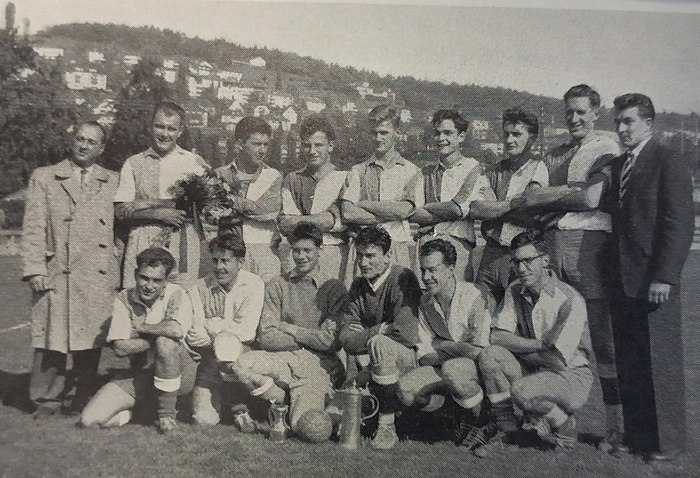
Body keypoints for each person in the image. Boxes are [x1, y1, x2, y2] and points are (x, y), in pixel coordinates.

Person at [512, 85, 624, 451]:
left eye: (581, 112)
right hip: (555, 245)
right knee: (551, 333)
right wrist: (565, 195)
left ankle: (615, 428)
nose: (574, 119)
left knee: (603, 341)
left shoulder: (606, 148)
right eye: (569, 112)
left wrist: (556, 196)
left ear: (596, 113)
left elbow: (591, 198)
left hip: (590, 247)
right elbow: (529, 199)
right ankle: (553, 417)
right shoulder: (558, 153)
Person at [605, 93, 693, 462]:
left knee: (662, 363)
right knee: (631, 362)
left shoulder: (667, 158)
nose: (622, 129)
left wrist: (665, 277)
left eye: (629, 122)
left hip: (654, 281)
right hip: (623, 280)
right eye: (618, 122)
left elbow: (678, 223)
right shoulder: (619, 163)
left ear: (648, 123)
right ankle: (638, 437)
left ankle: (670, 443)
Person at [22, 121, 120, 418]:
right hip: (58, 272)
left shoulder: (113, 181)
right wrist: (35, 268)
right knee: (52, 338)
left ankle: (81, 397)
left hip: (97, 274)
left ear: (102, 148)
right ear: (72, 141)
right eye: (80, 138)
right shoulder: (45, 177)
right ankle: (46, 399)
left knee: (90, 341)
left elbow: (122, 227)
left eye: (92, 141)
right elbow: (34, 227)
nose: (84, 145)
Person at [478, 231, 594, 453]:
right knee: (490, 355)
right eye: (516, 262)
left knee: (523, 390)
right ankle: (510, 431)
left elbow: (558, 361)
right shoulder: (515, 289)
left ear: (545, 261)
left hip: (571, 375)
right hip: (537, 364)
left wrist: (518, 348)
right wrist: (540, 344)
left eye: (528, 261)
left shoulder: (570, 299)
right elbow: (497, 337)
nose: (521, 269)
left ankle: (564, 424)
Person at [228, 223, 348, 435]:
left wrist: (290, 328)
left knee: (306, 427)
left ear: (320, 250)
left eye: (307, 250)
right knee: (241, 366)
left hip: (318, 365)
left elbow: (331, 341)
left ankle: (304, 406)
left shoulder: (334, 287)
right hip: (282, 359)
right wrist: (311, 337)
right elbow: (266, 336)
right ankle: (282, 402)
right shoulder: (277, 284)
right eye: (296, 250)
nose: (301, 256)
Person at [79, 248, 197, 434]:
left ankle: (167, 415)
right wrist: (158, 335)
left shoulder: (177, 294)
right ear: (135, 274)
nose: (149, 286)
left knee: (166, 344)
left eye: (157, 280)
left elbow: (175, 330)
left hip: (181, 372)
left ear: (166, 282)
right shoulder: (124, 298)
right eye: (144, 278)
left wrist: (141, 329)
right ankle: (139, 414)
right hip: (143, 373)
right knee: (89, 419)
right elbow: (120, 347)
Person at [397, 239, 495, 451]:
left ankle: (482, 420)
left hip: (477, 370)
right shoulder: (425, 302)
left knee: (453, 370)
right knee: (406, 391)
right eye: (423, 270)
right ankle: (451, 415)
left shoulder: (475, 296)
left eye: (433, 270)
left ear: (451, 269)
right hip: (446, 366)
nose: (425, 277)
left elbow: (479, 351)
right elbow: (425, 355)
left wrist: (444, 344)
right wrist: (458, 347)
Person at [339, 226, 422, 450]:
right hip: (375, 360)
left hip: (409, 361)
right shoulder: (358, 286)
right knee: (338, 409)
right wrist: (381, 328)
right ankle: (368, 415)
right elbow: (347, 340)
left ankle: (387, 426)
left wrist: (372, 336)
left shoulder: (403, 278)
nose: (363, 263)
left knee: (380, 344)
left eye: (371, 255)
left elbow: (406, 334)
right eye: (360, 255)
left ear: (387, 256)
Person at [114, 101, 208, 289]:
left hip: (182, 242)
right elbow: (120, 212)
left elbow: (205, 205)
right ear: (151, 126)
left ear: (180, 131)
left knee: (180, 302)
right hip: (143, 240)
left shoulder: (193, 162)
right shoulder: (134, 163)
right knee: (141, 301)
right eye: (159, 126)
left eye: (171, 129)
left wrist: (145, 203)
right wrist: (158, 214)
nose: (164, 134)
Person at [185, 234, 265, 428]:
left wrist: (213, 324)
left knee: (228, 346)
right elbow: (195, 337)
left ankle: (240, 407)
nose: (219, 267)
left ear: (240, 262)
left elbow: (247, 333)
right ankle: (235, 405)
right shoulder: (198, 287)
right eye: (215, 260)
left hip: (242, 359)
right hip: (209, 362)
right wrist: (224, 332)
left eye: (225, 261)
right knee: (204, 420)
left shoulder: (254, 285)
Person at [470, 107, 549, 303]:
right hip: (491, 253)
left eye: (516, 134)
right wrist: (515, 203)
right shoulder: (494, 170)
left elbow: (529, 211)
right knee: (481, 308)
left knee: (517, 312)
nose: (509, 140)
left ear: (531, 137)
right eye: (506, 134)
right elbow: (477, 209)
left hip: (522, 256)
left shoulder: (539, 168)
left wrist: (495, 207)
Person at [340, 105, 422, 284]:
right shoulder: (358, 170)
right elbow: (348, 212)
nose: (378, 138)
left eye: (384, 133)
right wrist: (389, 214)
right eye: (373, 133)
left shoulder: (411, 171)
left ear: (397, 133)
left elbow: (404, 211)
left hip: (395, 249)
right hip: (363, 251)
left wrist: (364, 204)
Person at [411, 110, 492, 282]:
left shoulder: (473, 168)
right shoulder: (425, 172)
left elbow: (458, 210)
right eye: (437, 133)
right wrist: (446, 209)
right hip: (426, 244)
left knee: (457, 301)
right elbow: (416, 213)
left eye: (448, 133)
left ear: (461, 137)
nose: (441, 138)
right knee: (425, 301)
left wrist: (429, 207)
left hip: (458, 246)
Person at [278, 115, 348, 279]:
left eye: (318, 145)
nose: (312, 151)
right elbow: (287, 225)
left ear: (330, 146)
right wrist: (323, 219)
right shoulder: (292, 179)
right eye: (307, 145)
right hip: (301, 256)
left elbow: (339, 223)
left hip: (335, 254)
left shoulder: (345, 178)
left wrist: (299, 220)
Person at [216, 116, 283, 281]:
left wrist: (231, 201)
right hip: (230, 252)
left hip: (265, 251)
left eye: (266, 144)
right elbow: (213, 214)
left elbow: (268, 212)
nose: (262, 150)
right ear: (239, 145)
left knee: (267, 302)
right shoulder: (220, 174)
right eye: (256, 144)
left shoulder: (273, 176)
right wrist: (249, 207)